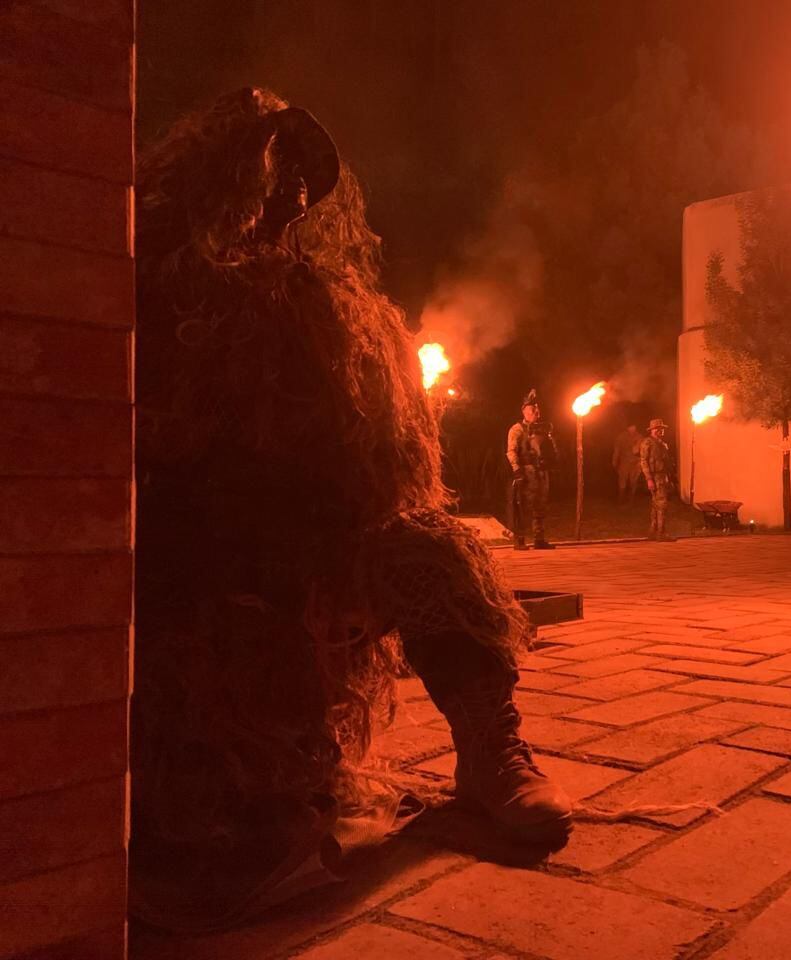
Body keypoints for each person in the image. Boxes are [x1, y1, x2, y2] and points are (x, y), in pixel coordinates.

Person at [132, 89, 571, 925]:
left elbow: (381, 465)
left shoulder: (330, 306)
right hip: (198, 559)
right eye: (274, 171)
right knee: (223, 814)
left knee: (430, 546)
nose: (292, 197)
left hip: (311, 554)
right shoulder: (164, 288)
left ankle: (490, 751)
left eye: (304, 183)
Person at [507, 390, 557, 550]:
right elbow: (511, 451)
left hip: (541, 471)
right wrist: (517, 470)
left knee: (540, 506)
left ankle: (539, 538)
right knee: (523, 506)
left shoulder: (543, 429)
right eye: (532, 410)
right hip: (527, 471)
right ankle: (519, 540)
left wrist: (550, 460)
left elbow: (549, 449)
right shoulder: (517, 429)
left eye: (537, 409)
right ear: (524, 412)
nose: (536, 412)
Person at [639, 418, 675, 541]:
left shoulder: (662, 444)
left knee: (656, 505)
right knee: (662, 504)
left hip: (662, 476)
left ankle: (653, 531)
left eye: (662, 429)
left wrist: (670, 477)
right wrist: (649, 479)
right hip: (655, 477)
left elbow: (666, 462)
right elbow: (644, 461)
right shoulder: (647, 443)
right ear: (652, 430)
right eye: (658, 429)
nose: (660, 430)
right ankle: (661, 533)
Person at [612, 424, 643, 503]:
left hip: (636, 463)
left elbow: (643, 451)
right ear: (627, 428)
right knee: (622, 481)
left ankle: (631, 500)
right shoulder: (621, 437)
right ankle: (621, 499)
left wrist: (641, 463)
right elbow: (617, 450)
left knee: (634, 482)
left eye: (633, 426)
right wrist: (614, 461)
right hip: (624, 462)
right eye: (630, 427)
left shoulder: (639, 437)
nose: (632, 428)